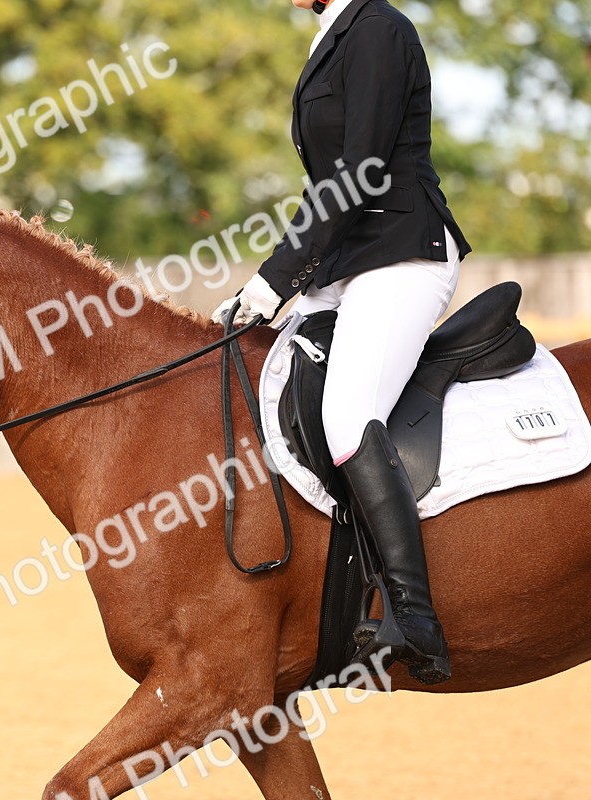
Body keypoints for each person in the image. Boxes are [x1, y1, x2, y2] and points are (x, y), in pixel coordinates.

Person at [211, 0, 470, 684]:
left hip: (403, 256)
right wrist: (270, 286)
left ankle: (416, 616)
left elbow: (358, 171)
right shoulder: (333, 35)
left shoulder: (380, 28)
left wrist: (275, 281)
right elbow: (325, 185)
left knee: (348, 415)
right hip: (347, 266)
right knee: (254, 378)